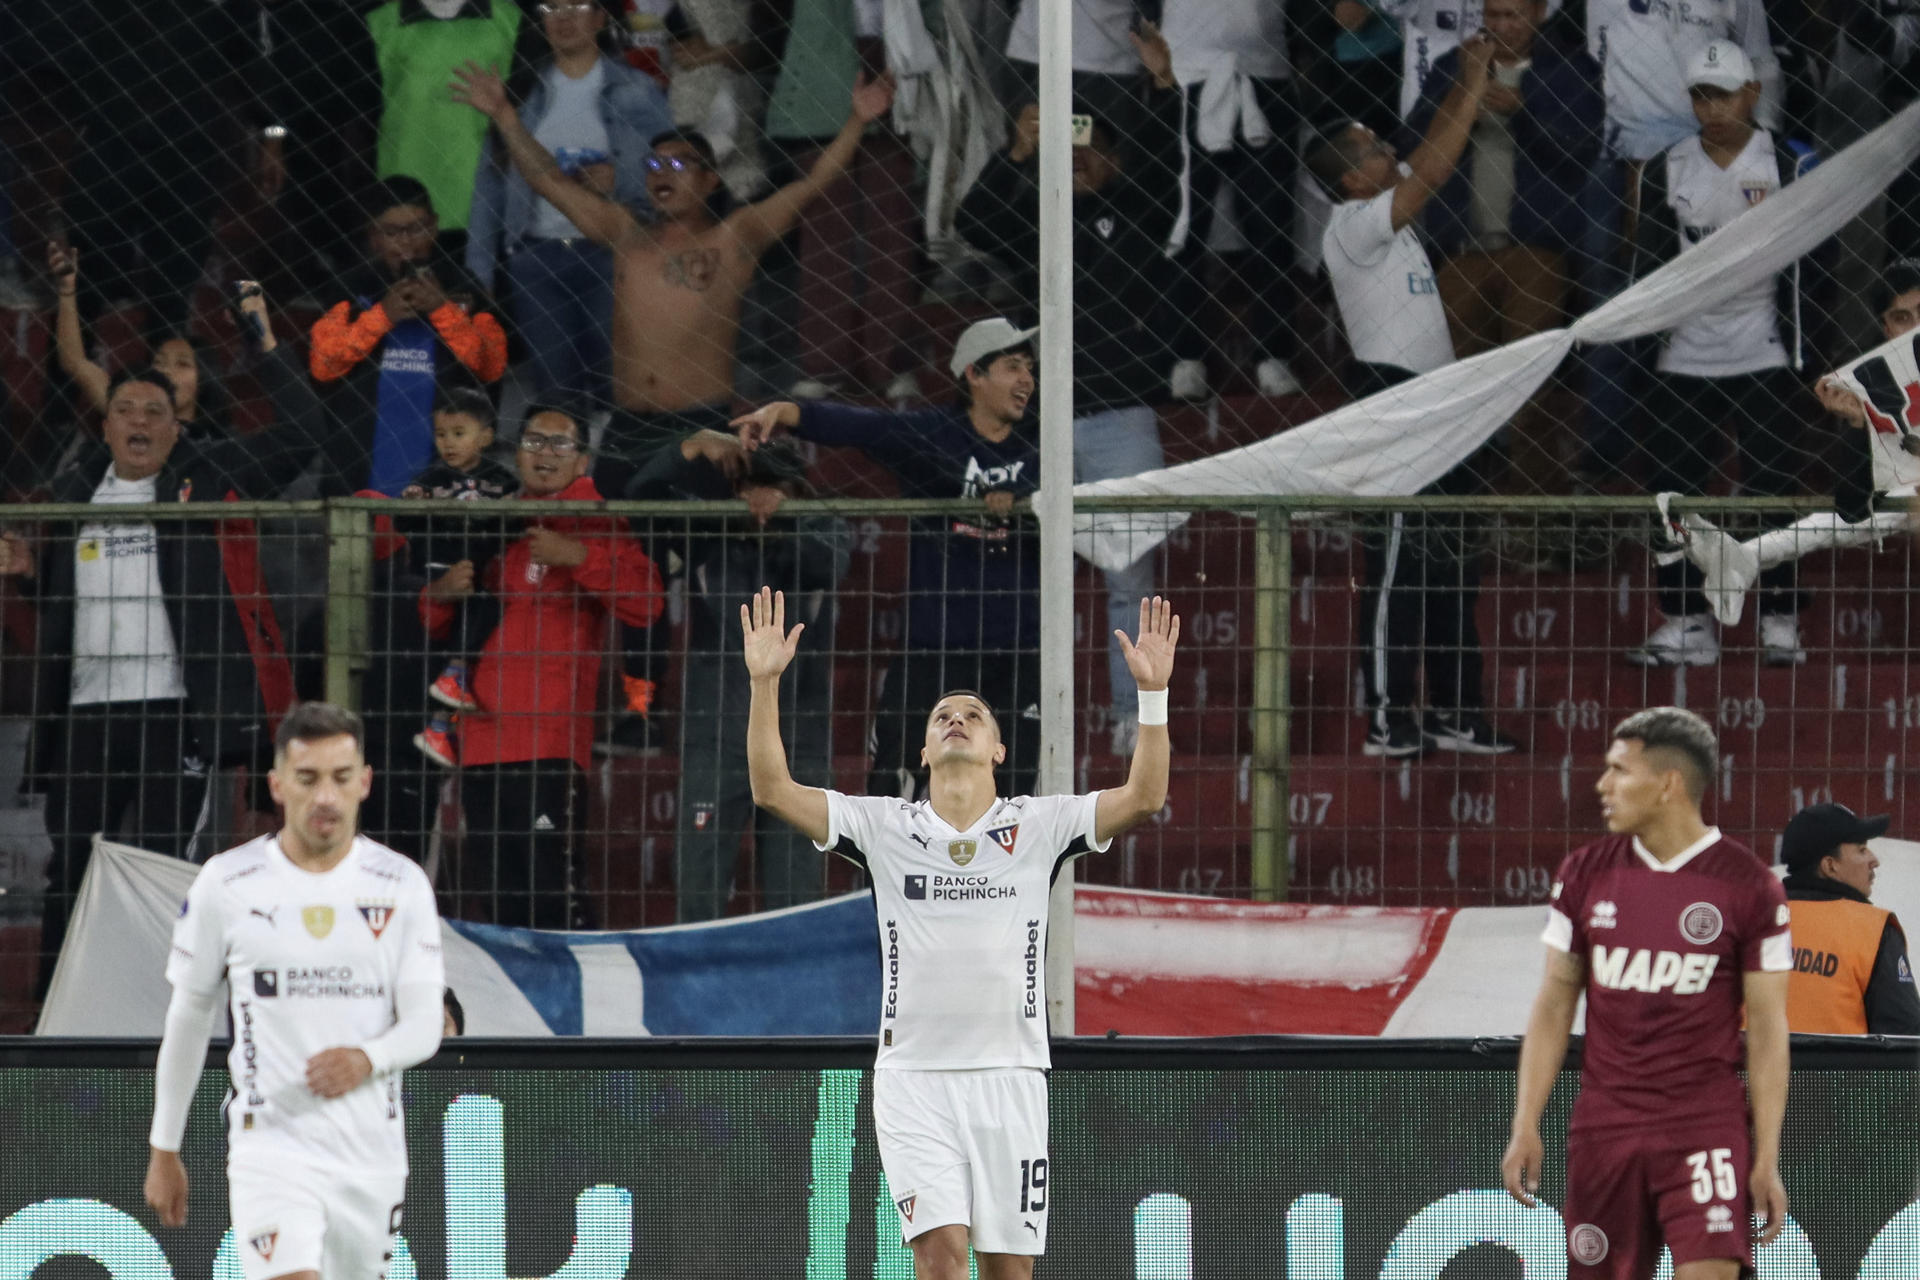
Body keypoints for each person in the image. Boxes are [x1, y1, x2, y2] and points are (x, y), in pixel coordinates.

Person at [741, 586, 1179, 1280]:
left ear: (999, 749)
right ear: (921, 750)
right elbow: (773, 790)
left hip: (1010, 1078)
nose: (957, 720)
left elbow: (1145, 797)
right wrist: (765, 683)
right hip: (914, 1080)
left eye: (974, 715)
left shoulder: (1039, 826)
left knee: (1008, 1274)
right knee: (942, 1264)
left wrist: (1151, 698)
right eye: (944, 715)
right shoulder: (886, 826)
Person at [2, 335, 318, 997]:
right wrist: (31, 576)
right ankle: (56, 1013)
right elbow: (63, 601)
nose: (139, 421)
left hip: (172, 712)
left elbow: (303, 436)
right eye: (125, 409)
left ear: (177, 428)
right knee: (74, 870)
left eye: (154, 410)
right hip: (86, 712)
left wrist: (262, 342)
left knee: (156, 869)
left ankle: (151, 1012)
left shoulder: (206, 475)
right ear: (106, 422)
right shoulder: (73, 491)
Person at [449, 59, 895, 482]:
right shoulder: (625, 233)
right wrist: (506, 115)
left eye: (679, 164)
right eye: (654, 164)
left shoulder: (734, 238)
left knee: (688, 544)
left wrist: (857, 120)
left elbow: (812, 183)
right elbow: (548, 180)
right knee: (616, 545)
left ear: (710, 179)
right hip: (628, 424)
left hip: (699, 422)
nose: (663, 172)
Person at [143, 703, 445, 1280]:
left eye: (339, 778)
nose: (325, 797)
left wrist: (367, 1059)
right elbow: (188, 1015)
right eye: (307, 779)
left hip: (370, 1155)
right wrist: (165, 1145)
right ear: (278, 786)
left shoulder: (402, 884)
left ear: (364, 783)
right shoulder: (227, 884)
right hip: (271, 1145)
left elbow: (425, 1025)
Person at [1502, 706, 1793, 1280]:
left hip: (1703, 1123)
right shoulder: (1584, 873)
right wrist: (1525, 1122)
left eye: (1619, 771)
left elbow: (1767, 1027)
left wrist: (1767, 1154)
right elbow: (1555, 1001)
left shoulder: (1750, 885)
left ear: (1668, 784)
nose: (1602, 786)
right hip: (1604, 1127)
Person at [955, 26, 1177, 754]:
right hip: (1039, 418)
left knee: (1129, 570)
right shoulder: (1035, 219)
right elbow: (972, 220)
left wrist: (1164, 91)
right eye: (1067, 145)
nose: (1079, 158)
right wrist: (1017, 152)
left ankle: (1129, 716)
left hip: (1120, 413)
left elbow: (1165, 176)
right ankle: (1021, 717)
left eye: (1092, 148)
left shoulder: (1137, 217)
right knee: (1021, 570)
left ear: (1114, 159)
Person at [1308, 30, 1517, 758]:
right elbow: (1431, 165)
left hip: (1441, 401)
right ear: (1352, 179)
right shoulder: (1356, 225)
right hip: (1392, 399)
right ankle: (1388, 716)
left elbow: (1422, 159)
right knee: (1398, 570)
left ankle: (1458, 712)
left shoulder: (1383, 220)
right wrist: (1470, 80)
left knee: (1454, 567)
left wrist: (1470, 79)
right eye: (1368, 150)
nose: (1383, 151)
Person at [732, 319, 1043, 797]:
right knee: (895, 784)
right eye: (1013, 367)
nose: (1027, 380)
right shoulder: (934, 433)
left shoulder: (1046, 449)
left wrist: (1022, 501)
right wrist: (785, 412)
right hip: (933, 647)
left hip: (1018, 655)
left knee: (1013, 795)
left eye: (1030, 369)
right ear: (973, 376)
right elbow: (863, 427)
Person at [420, 405, 665, 927]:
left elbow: (647, 602)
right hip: (480, 738)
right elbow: (444, 623)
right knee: (497, 895)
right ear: (516, 452)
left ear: (582, 461)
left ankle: (579, 1007)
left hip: (549, 741)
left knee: (551, 891)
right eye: (534, 442)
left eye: (560, 444)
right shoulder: (495, 513)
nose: (545, 454)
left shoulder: (599, 518)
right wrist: (439, 595)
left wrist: (578, 555)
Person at [1623, 42, 1824, 670]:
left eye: (1724, 93)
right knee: (1674, 493)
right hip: (1683, 352)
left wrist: (1809, 351)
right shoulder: (1666, 166)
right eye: (1701, 95)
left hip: (1763, 346)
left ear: (1753, 94)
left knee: (1771, 487)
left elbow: (1819, 268)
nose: (1711, 107)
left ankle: (1778, 618)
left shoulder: (1792, 164)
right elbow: (1643, 265)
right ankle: (1686, 623)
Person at [1404, 0, 1602, 490]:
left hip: (1537, 253)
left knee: (1528, 391)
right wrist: (1465, 95)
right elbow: (1412, 140)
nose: (1501, 26)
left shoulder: (1570, 67)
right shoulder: (1457, 64)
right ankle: (1461, 521)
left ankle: (1536, 530)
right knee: (1453, 388)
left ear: (1538, 13)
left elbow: (1581, 151)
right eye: (1493, 15)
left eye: (1513, 15)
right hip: (1463, 251)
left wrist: (1524, 112)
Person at [1666, 261, 1920, 630]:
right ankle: (1743, 558)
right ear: (1887, 329)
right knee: (1840, 520)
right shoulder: (1879, 384)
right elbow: (1852, 505)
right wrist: (1856, 425)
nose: (1915, 329)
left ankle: (1744, 558)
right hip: (1905, 500)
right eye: (1902, 318)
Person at [663, 442, 850, 921]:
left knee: (796, 899)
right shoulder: (708, 533)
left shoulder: (823, 530)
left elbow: (828, 562)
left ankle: (796, 994)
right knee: (698, 895)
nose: (758, 498)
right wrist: (691, 445)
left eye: (773, 487)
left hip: (799, 740)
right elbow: (643, 487)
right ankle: (698, 989)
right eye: (747, 487)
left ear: (796, 492)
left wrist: (785, 519)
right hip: (716, 736)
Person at [465, 0, 675, 408]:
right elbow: (489, 182)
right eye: (551, 6)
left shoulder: (638, 89)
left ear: (600, 17)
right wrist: (479, 272)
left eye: (577, 5)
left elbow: (673, 166)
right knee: (554, 392)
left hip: (612, 257)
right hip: (536, 258)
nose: (563, 17)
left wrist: (623, 176)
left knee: (617, 387)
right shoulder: (520, 92)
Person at [309, 178, 510, 497]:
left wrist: (442, 310)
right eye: (391, 232)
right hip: (357, 469)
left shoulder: (462, 285)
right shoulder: (351, 286)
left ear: (434, 228)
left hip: (446, 474)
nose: (406, 243)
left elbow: (491, 366)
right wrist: (382, 316)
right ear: (373, 237)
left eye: (416, 229)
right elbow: (322, 365)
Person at [765, 0, 921, 402]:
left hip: (902, 60)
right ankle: (822, 364)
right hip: (821, 68)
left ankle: (891, 362)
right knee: (824, 234)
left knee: (892, 232)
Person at [1158, 0, 1307, 399]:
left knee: (1270, 227)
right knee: (1182, 227)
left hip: (1265, 74)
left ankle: (1273, 353)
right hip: (1186, 75)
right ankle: (1184, 356)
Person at [397, 385, 521, 761]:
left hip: (482, 577)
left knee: (469, 659)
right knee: (437, 664)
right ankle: (439, 715)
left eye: (459, 434)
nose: (448, 443)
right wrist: (414, 504)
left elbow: (516, 523)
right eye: (441, 434)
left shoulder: (503, 481)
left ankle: (440, 727)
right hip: (437, 577)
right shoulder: (431, 478)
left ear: (485, 437)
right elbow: (404, 518)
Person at [365, 0, 522, 237]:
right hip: (402, 203)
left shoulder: (511, 17)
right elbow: (356, 122)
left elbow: (530, 108)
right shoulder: (379, 21)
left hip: (487, 200)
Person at [49, 243, 233, 445]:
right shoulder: (131, 417)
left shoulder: (221, 446)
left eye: (182, 364)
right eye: (159, 362)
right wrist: (67, 290)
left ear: (205, 379)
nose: (166, 371)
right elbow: (74, 361)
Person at [1777, 803, 1920, 1036]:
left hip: (1751, 1073)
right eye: (1862, 850)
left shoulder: (1752, 920)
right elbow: (1904, 1040)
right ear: (1830, 866)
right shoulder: (1872, 930)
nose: (1874, 860)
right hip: (1839, 1073)